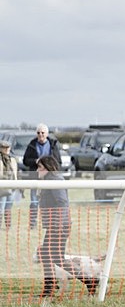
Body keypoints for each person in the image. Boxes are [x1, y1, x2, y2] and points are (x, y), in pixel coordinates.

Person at [35, 155, 70, 298]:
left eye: (40, 167)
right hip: (55, 224)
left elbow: (62, 202)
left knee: (50, 255)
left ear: (48, 168)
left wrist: (57, 224)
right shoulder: (48, 180)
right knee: (54, 257)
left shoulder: (55, 181)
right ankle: (89, 279)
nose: (37, 170)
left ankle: (49, 288)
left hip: (58, 225)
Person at [23, 124, 61, 229]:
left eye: (42, 133)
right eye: (38, 133)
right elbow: (25, 160)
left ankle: (49, 223)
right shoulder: (32, 144)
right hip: (35, 177)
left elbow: (58, 161)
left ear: (47, 134)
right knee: (34, 202)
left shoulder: (53, 145)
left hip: (49, 179)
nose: (40, 135)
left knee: (49, 202)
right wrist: (35, 161)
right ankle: (33, 224)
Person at [0, 140, 18, 229]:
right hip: (2, 187)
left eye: (8, 147)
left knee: (8, 207)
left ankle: (8, 226)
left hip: (12, 187)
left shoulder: (12, 159)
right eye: (4, 147)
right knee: (1, 208)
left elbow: (15, 173)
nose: (6, 149)